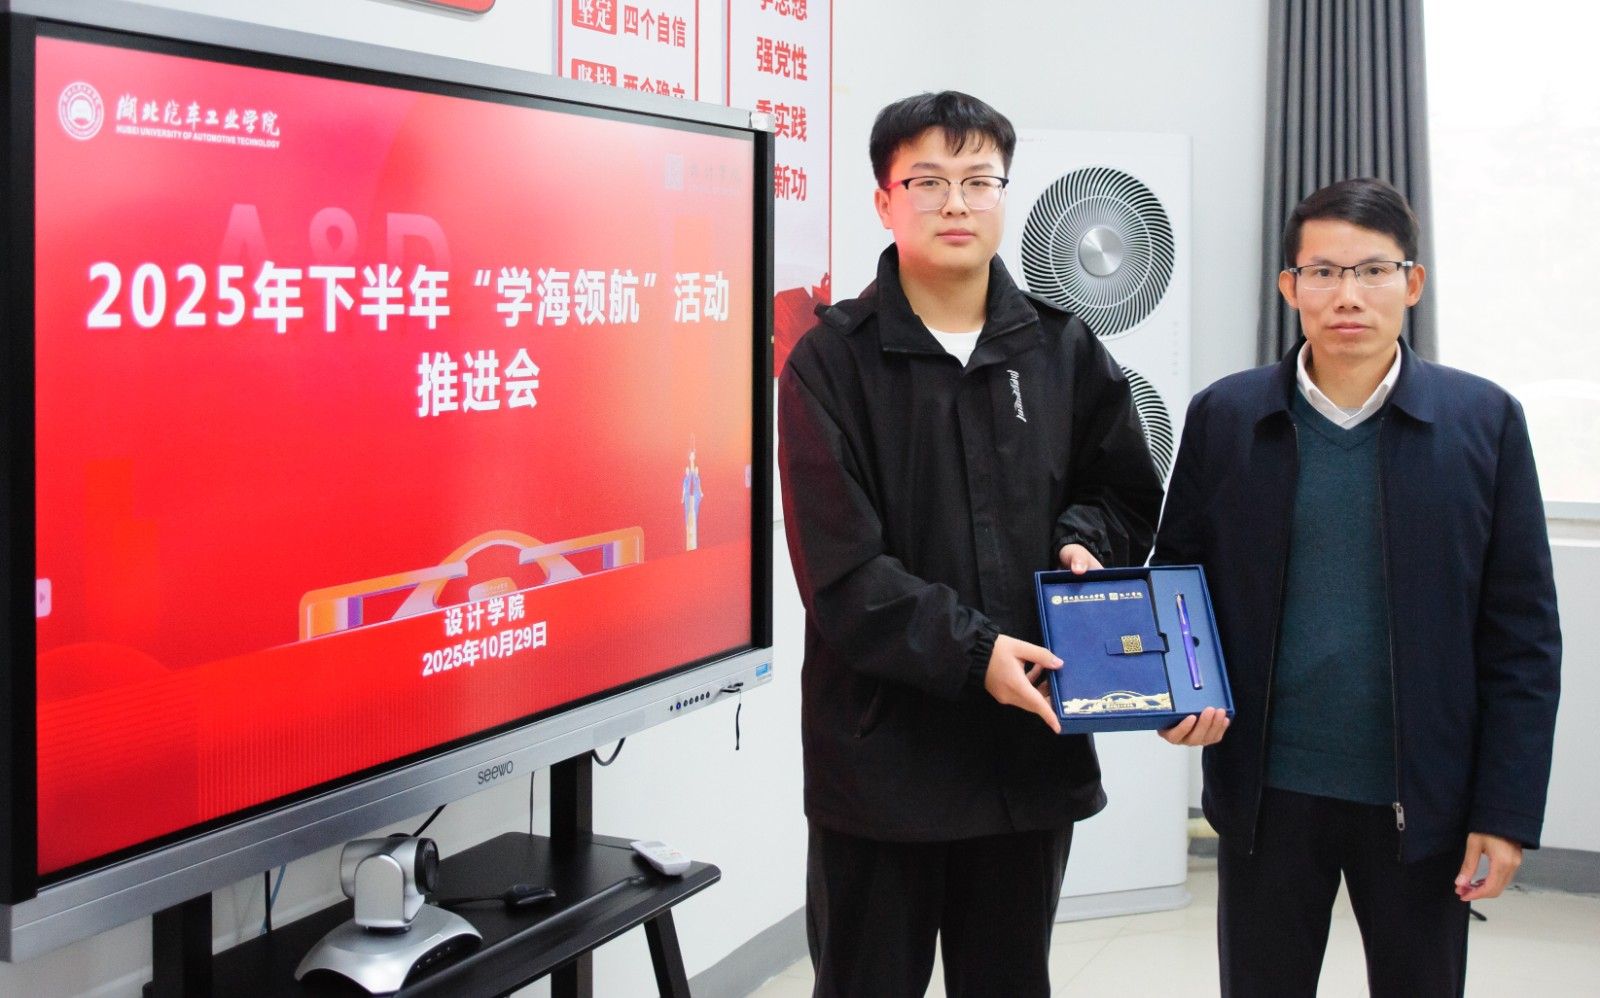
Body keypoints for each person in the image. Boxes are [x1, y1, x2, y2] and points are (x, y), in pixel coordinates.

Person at [777, 91, 1165, 997]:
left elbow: (1122, 492)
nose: (957, 203)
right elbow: (843, 575)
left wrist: (1085, 543)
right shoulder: (829, 363)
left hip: (1024, 757)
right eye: (929, 181)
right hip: (882, 765)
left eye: (979, 181)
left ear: (1004, 196)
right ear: (885, 201)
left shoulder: (1063, 349)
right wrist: (976, 652)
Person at [1153, 177, 1562, 997]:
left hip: (1425, 799)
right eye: (1324, 272)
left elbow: (1523, 637)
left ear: (1412, 283)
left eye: (1374, 271)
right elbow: (1177, 582)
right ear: (1290, 287)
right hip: (1267, 792)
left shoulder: (1484, 422)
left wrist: (1505, 812)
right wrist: (1175, 698)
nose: (1349, 295)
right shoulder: (1226, 416)